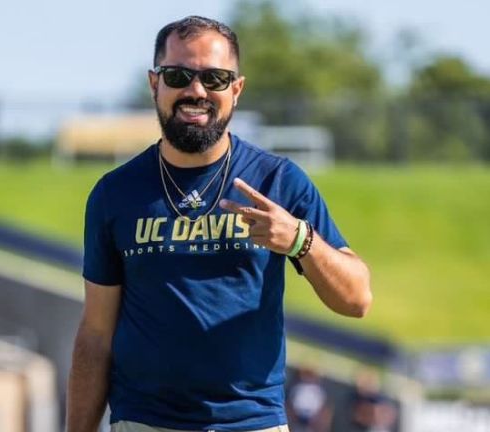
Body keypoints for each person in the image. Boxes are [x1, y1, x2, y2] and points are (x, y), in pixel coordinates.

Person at [66, 15, 372, 432]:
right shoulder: (114, 194)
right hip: (145, 422)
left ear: (236, 89)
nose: (196, 91)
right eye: (178, 75)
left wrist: (300, 239)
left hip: (252, 423)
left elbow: (357, 298)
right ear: (155, 83)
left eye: (214, 78)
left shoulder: (277, 182)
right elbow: (96, 334)